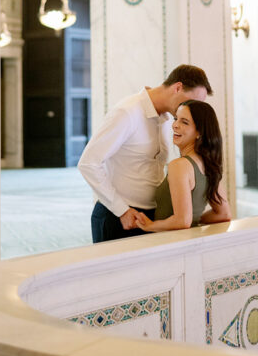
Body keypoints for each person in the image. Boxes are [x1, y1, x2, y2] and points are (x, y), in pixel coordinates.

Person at [78, 64, 213, 243]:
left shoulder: (170, 120)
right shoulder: (127, 112)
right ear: (178, 87)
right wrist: (122, 210)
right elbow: (88, 163)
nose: (192, 109)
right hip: (117, 218)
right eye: (190, 101)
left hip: (152, 217)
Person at [139, 99, 231, 232]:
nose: (175, 125)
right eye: (176, 118)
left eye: (184, 122)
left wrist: (150, 226)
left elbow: (182, 221)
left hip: (168, 243)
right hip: (188, 243)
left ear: (199, 132)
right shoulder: (208, 165)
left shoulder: (179, 166)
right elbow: (224, 214)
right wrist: (196, 220)